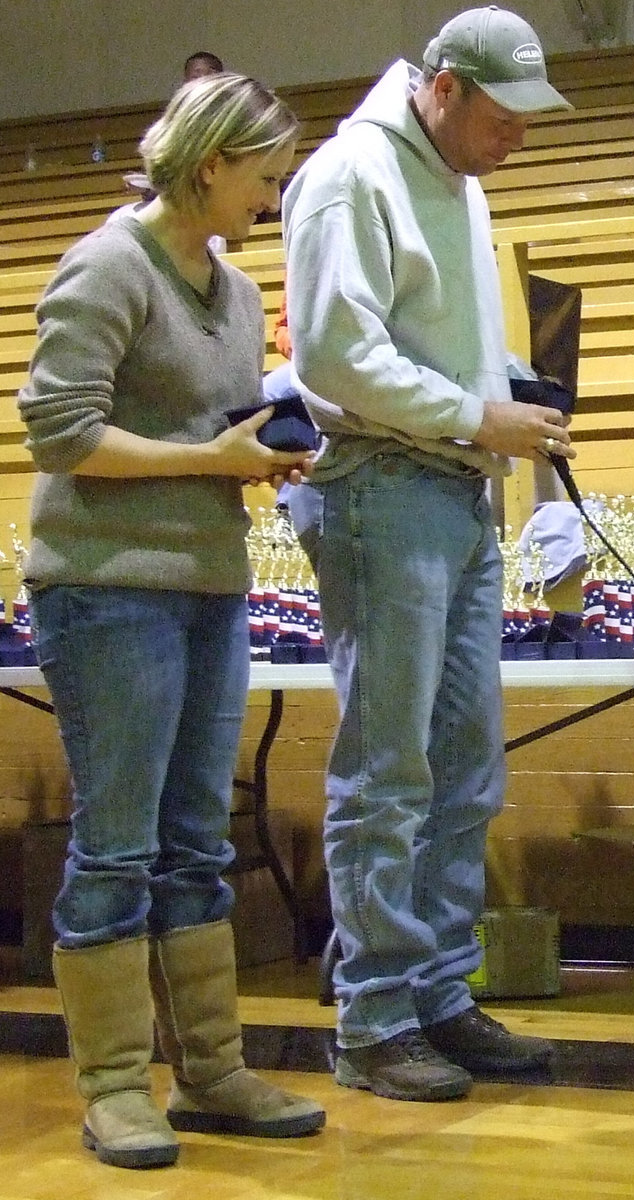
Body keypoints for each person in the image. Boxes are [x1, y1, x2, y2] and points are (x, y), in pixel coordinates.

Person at [18, 73, 325, 1170]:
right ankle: (111, 1088)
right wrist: (213, 457)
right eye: (263, 175)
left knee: (200, 839)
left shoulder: (237, 291)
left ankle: (208, 1071)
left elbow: (206, 429)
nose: (272, 196)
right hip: (104, 590)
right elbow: (58, 433)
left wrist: (261, 443)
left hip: (206, 585)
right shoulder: (107, 264)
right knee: (118, 845)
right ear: (208, 167)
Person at [281, 7, 574, 1104]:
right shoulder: (351, 174)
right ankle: (373, 1019)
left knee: (462, 768)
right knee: (390, 770)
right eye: (504, 119)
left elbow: (422, 332)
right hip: (381, 487)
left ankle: (438, 993)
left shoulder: (455, 171)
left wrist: (504, 395)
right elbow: (334, 353)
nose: (518, 141)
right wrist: (472, 412)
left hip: (450, 486)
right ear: (443, 89)